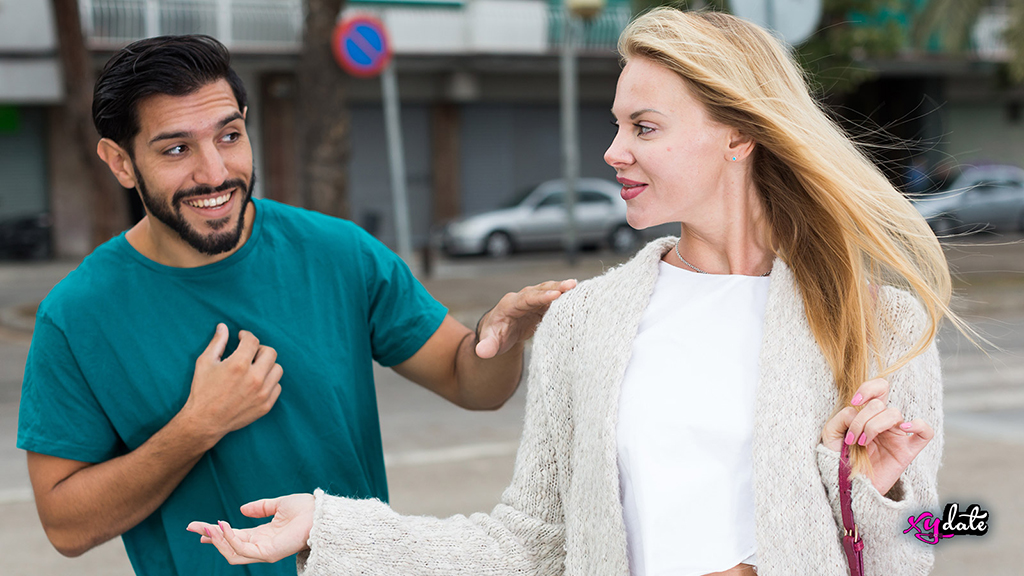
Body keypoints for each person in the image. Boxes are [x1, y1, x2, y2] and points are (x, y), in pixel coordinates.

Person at [192, 9, 958, 575]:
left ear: (739, 134)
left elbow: (930, 538)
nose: (613, 150)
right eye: (617, 124)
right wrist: (329, 529)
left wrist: (872, 494)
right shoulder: (584, 323)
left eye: (645, 127)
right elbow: (526, 545)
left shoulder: (880, 322)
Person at [16, 35, 575, 576]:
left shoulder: (339, 253)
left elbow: (473, 384)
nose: (215, 173)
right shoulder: (77, 315)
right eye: (177, 149)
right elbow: (66, 527)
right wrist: (196, 427)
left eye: (229, 136)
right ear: (120, 162)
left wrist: (499, 335)